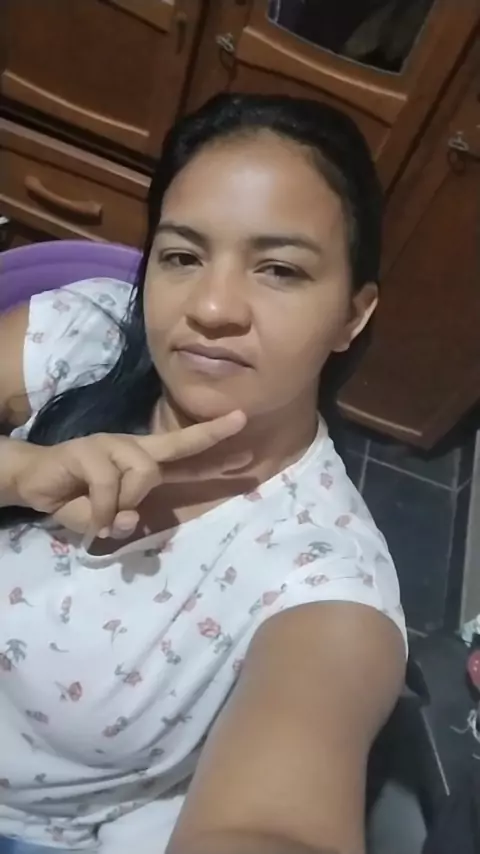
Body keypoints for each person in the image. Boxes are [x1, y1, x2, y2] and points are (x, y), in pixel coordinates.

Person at [0, 93, 407, 854]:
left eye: (279, 269)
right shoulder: (84, 338)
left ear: (352, 316)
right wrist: (18, 472)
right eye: (182, 256)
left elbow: (275, 825)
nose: (213, 307)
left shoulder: (323, 577)